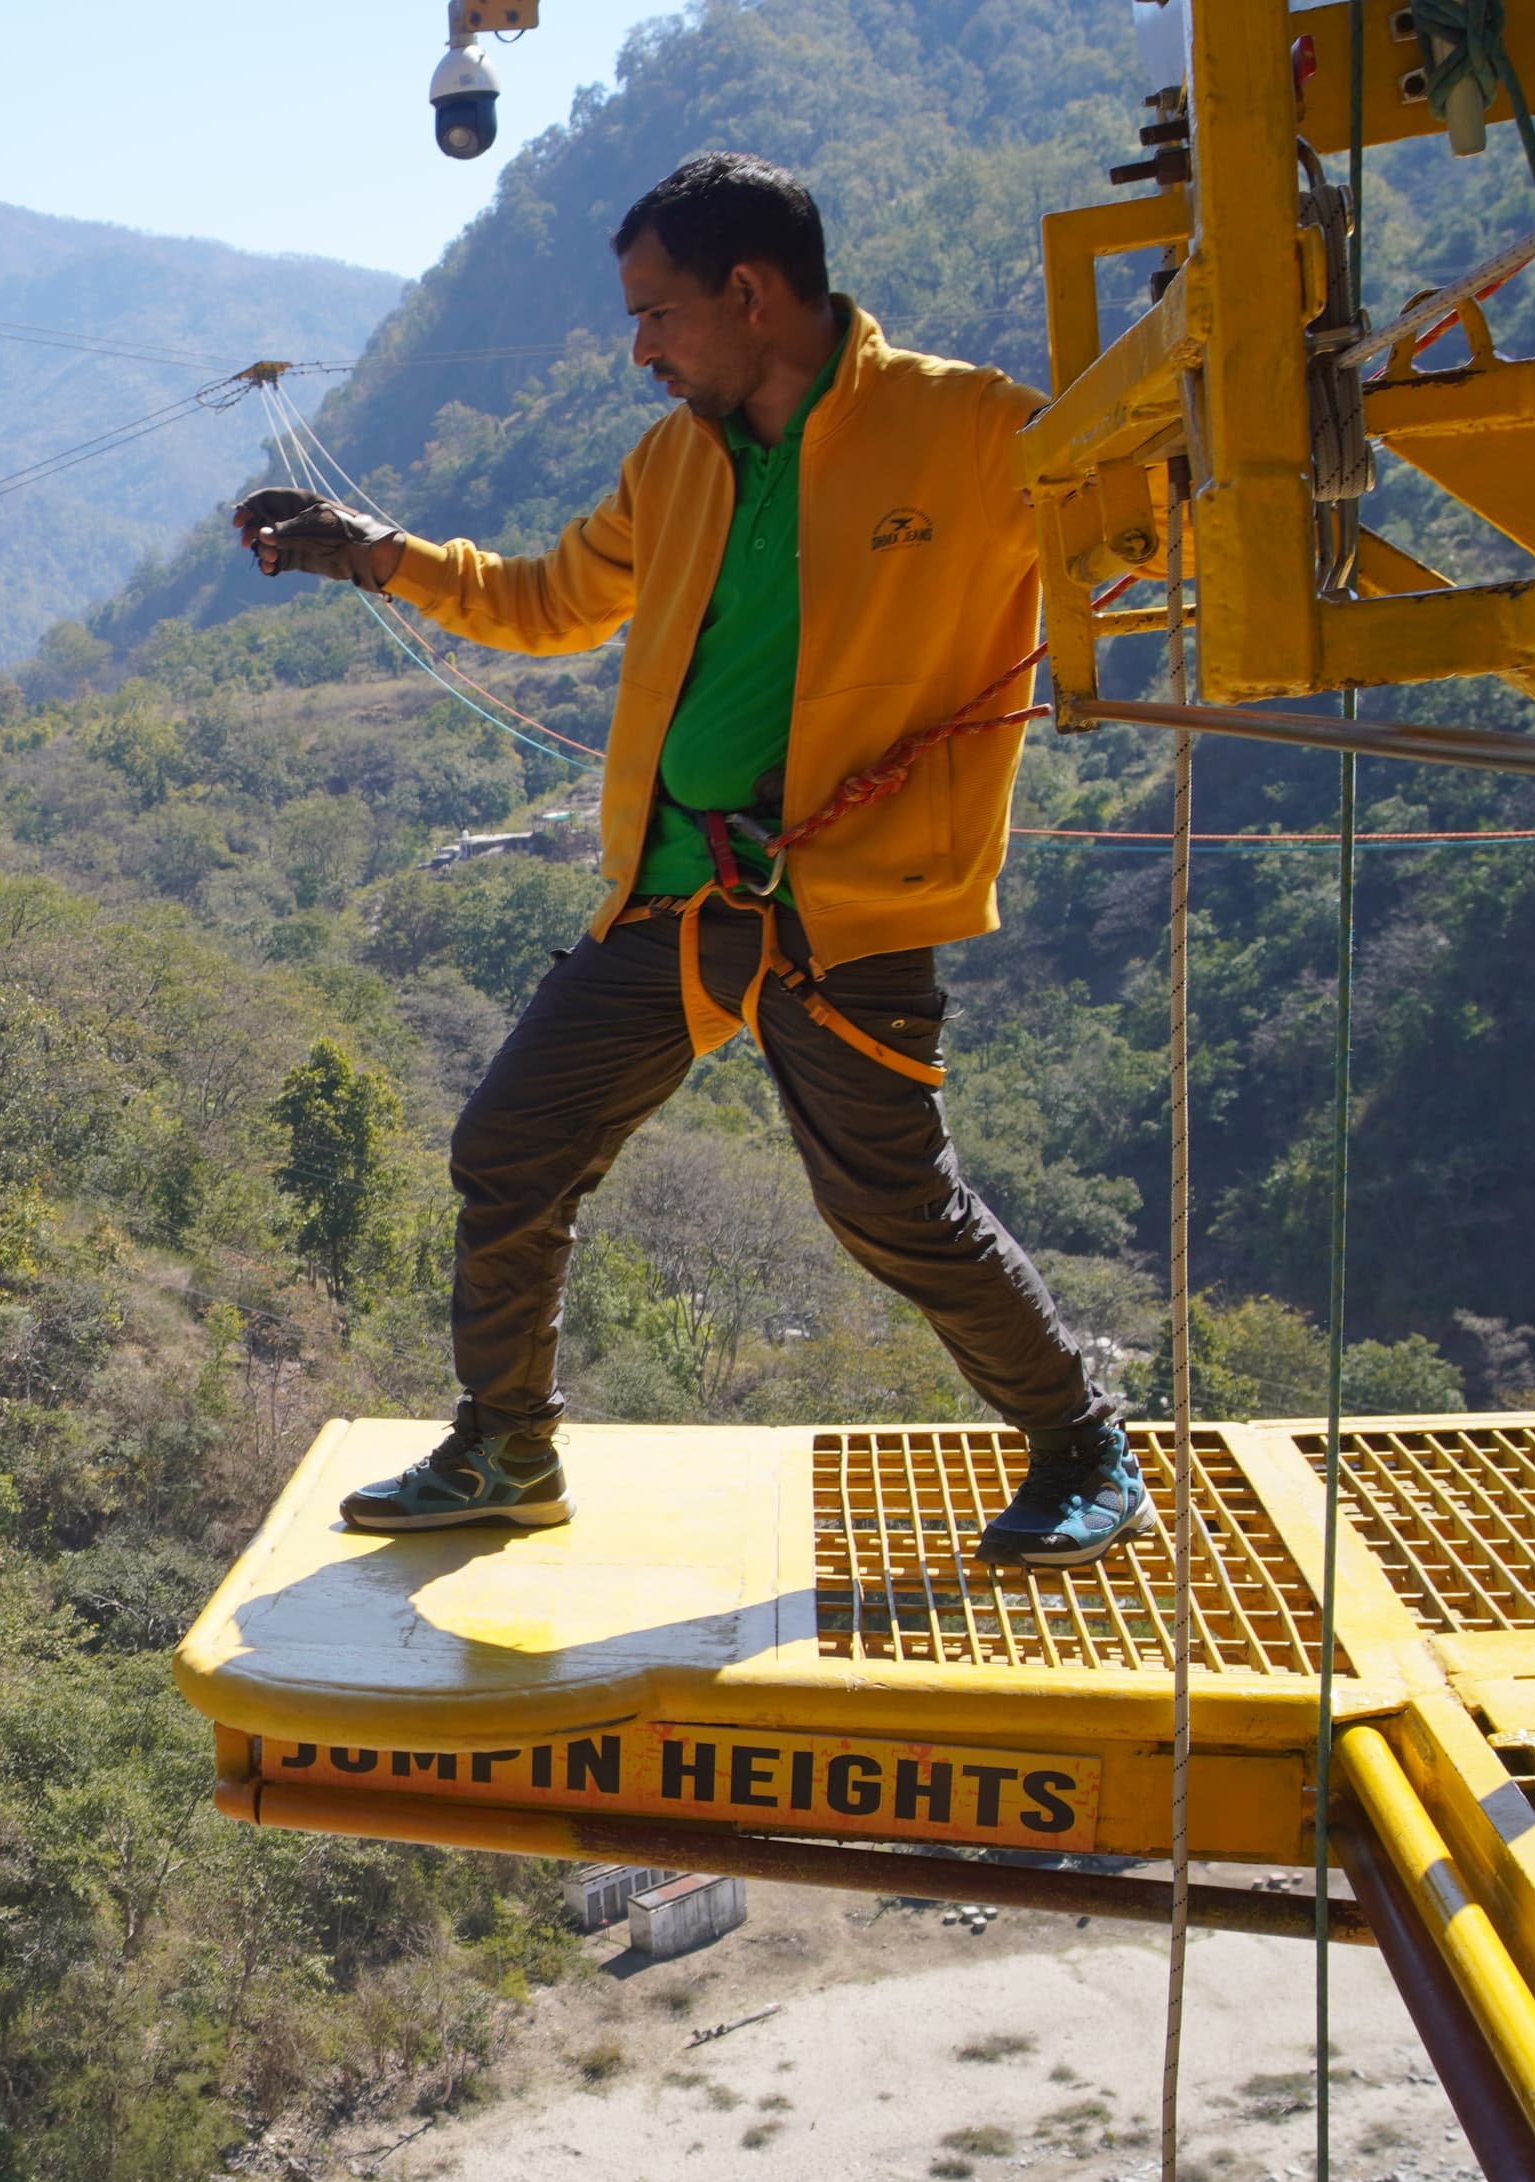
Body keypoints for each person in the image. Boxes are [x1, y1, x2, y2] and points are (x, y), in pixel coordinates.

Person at [234, 151, 1146, 1569]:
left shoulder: (964, 428)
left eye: (657, 315)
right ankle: (505, 1448)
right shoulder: (672, 465)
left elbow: (1133, 536)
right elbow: (544, 601)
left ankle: (1082, 1440)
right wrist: (377, 554)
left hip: (844, 908)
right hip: (671, 897)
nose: (642, 350)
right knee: (511, 1147)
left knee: (892, 1209)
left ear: (750, 293)